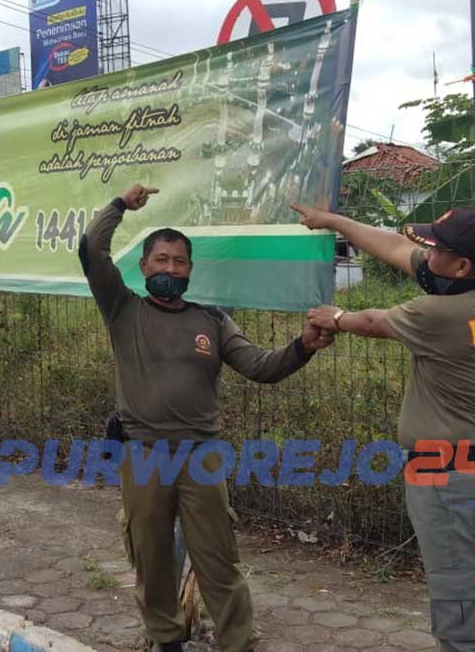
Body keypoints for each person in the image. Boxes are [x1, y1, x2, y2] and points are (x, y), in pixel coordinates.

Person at [81, 184, 333, 652]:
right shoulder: (122, 309)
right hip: (144, 455)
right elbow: (90, 248)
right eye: (161, 260)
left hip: (202, 458)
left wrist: (303, 347)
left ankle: (237, 641)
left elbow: (260, 367)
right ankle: (167, 639)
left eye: (179, 262)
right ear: (144, 266)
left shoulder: (212, 321)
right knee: (151, 560)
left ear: (190, 271)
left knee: (219, 561)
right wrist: (120, 205)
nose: (170, 269)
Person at [291, 203, 475, 652]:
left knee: (470, 634)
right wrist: (334, 220)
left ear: (462, 265)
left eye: (437, 249)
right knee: (469, 611)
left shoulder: (443, 314)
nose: (425, 254)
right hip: (469, 480)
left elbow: (375, 320)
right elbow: (397, 248)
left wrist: (332, 318)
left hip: (452, 484)